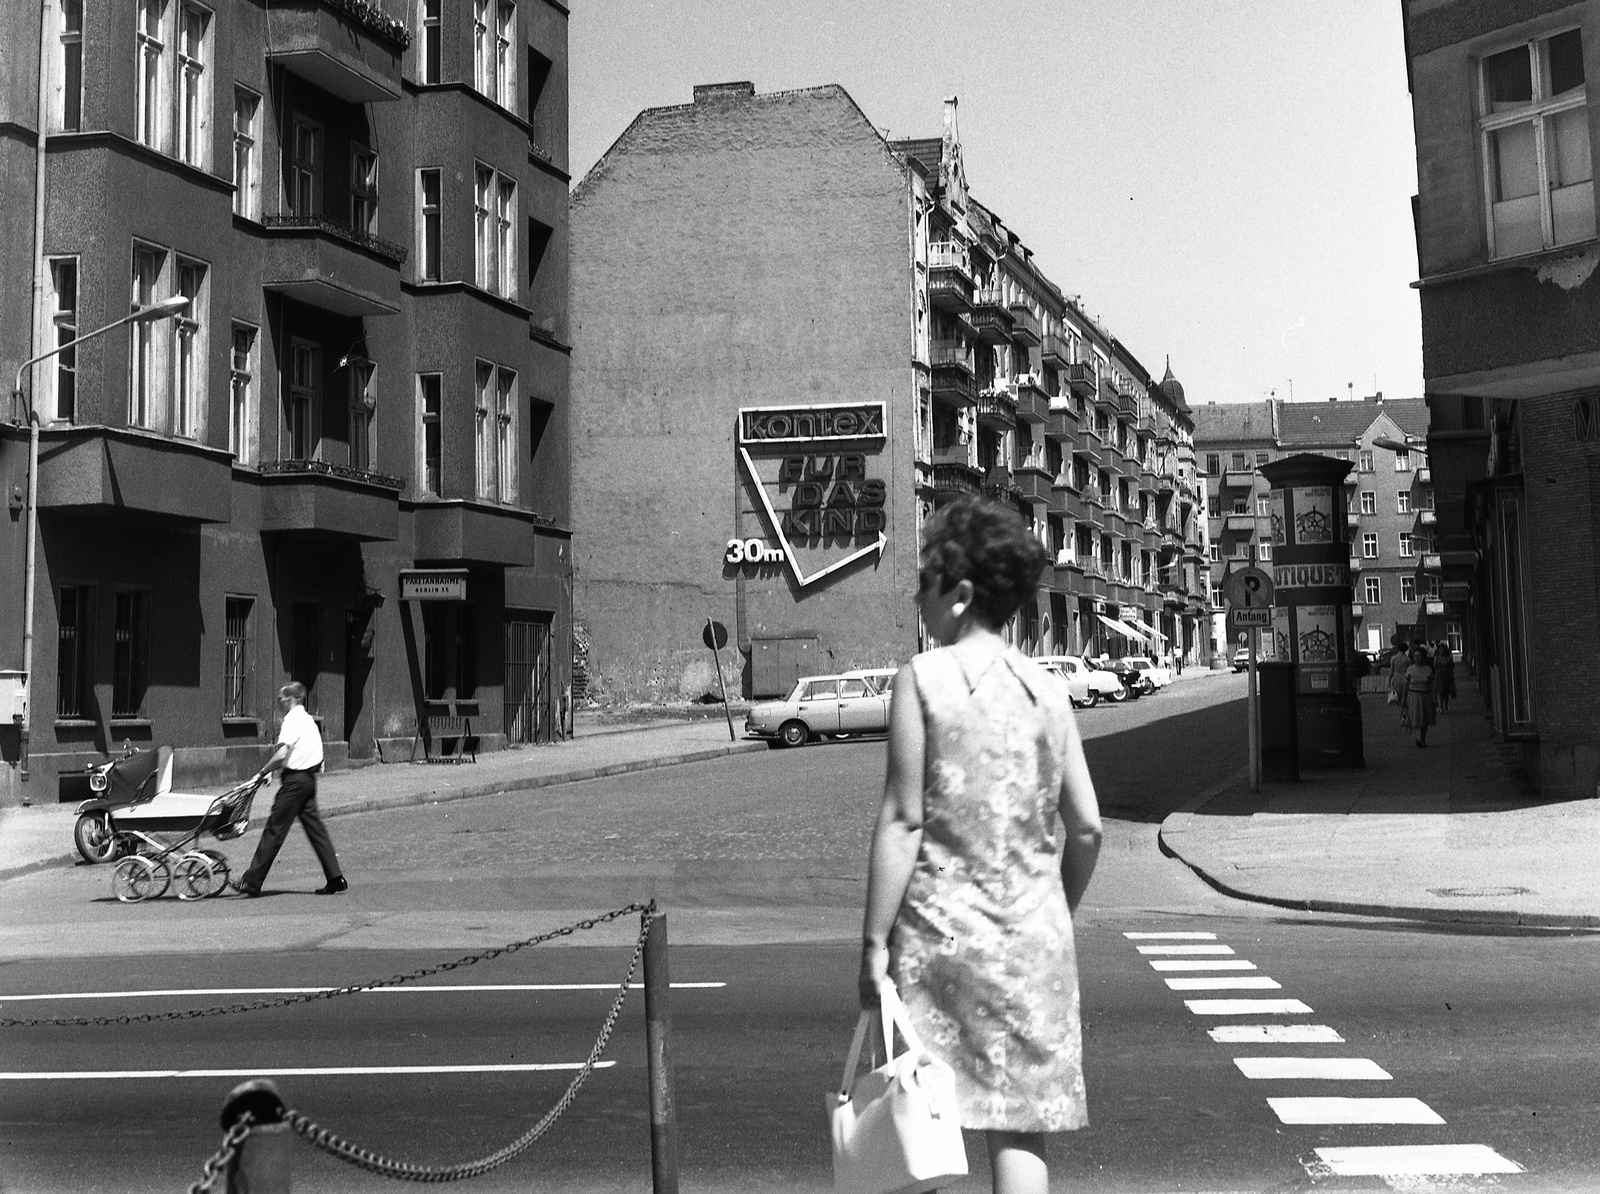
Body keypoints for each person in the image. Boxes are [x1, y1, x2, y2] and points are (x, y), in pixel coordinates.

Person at [859, 495, 1103, 1194]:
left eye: (925, 583)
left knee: (914, 1111)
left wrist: (874, 945)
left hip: (937, 936)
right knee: (1018, 1125)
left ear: (960, 595)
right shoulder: (1050, 691)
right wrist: (1052, 908)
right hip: (1032, 940)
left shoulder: (922, 680)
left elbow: (904, 820)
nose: (918, 598)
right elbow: (1086, 827)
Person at [232, 682, 348, 896]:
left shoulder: (292, 720)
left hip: (294, 783)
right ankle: (335, 877)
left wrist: (262, 771)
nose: (278, 702)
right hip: (308, 780)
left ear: (290, 699)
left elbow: (283, 752)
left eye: (280, 699)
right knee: (316, 829)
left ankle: (251, 881)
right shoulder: (308, 720)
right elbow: (318, 755)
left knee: (274, 829)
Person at [1405, 646, 1437, 747]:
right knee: (1415, 718)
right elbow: (1406, 685)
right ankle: (1418, 738)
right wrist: (1403, 698)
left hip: (1426, 696)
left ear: (1423, 657)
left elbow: (1432, 685)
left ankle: (1422, 738)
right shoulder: (1410, 669)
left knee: (1424, 719)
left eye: (1419, 656)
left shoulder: (1428, 669)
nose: (1417, 658)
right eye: (1415, 656)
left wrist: (1434, 698)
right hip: (1413, 695)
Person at [1387, 636, 1410, 728]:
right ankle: (1405, 713)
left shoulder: (1393, 658)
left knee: (1398, 698)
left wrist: (1389, 680)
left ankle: (1403, 714)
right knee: (1406, 697)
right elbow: (1409, 670)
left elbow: (1391, 670)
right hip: (1405, 678)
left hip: (1396, 679)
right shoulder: (1407, 659)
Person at [1433, 641, 1455, 713]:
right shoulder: (1437, 658)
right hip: (1439, 676)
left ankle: (1446, 706)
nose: (1441, 651)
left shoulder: (1447, 658)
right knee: (1440, 692)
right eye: (1440, 650)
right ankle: (1441, 706)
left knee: (1446, 692)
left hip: (1447, 676)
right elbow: (1435, 666)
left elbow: (1451, 666)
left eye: (1442, 649)